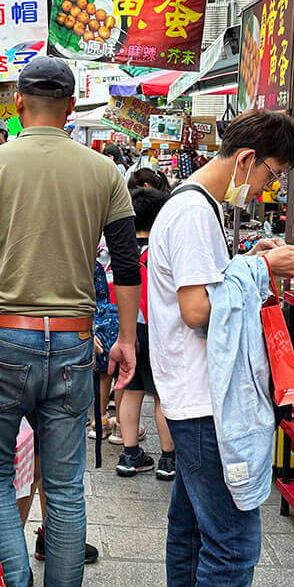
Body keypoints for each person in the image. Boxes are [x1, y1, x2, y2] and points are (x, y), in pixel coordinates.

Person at [0, 55, 139, 587]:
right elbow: (126, 263)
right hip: (73, 337)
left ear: (18, 102)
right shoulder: (104, 172)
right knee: (63, 487)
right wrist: (128, 339)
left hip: (4, 336)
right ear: (69, 106)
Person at [148, 110, 294, 587]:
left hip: (193, 397)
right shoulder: (192, 212)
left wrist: (246, 261)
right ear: (245, 160)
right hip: (204, 400)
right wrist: (261, 271)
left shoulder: (198, 210)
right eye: (271, 175)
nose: (266, 188)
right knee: (234, 543)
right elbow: (195, 309)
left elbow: (205, 288)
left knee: (192, 523)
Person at [115, 186, 174, 479]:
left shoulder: (123, 249)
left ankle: (130, 454)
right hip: (159, 329)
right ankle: (168, 458)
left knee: (131, 390)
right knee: (162, 395)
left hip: (128, 329)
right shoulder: (161, 250)